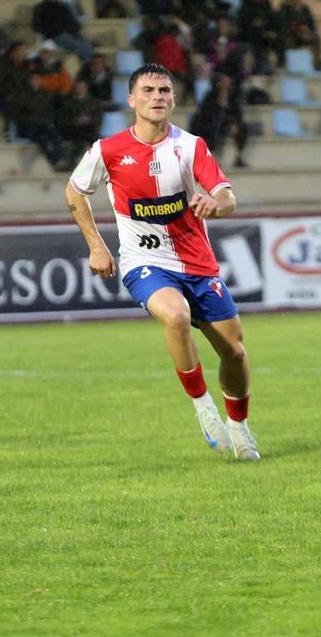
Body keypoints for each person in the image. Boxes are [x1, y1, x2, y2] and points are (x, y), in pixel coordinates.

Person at [64, 63, 259, 461]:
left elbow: (228, 196)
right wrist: (96, 245)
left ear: (173, 99)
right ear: (132, 100)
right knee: (175, 316)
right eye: (149, 90)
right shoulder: (108, 150)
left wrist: (214, 203)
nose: (157, 97)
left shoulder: (190, 146)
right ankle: (204, 409)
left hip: (199, 264)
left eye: (164, 90)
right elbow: (74, 191)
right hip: (144, 262)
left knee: (235, 354)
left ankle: (239, 428)